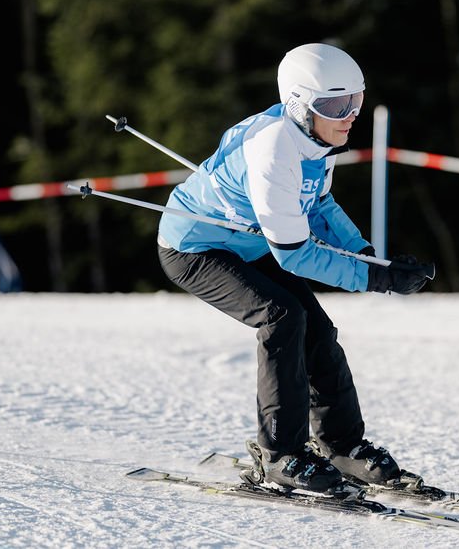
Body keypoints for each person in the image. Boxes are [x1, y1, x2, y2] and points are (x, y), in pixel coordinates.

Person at [157, 43, 433, 493]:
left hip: (249, 241)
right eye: (336, 105)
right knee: (282, 316)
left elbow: (319, 205)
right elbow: (295, 254)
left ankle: (342, 445)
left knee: (318, 329)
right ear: (299, 105)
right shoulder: (272, 150)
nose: (349, 115)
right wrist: (374, 278)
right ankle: (280, 454)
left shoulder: (320, 137)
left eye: (356, 101)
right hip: (194, 248)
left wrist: (367, 255)